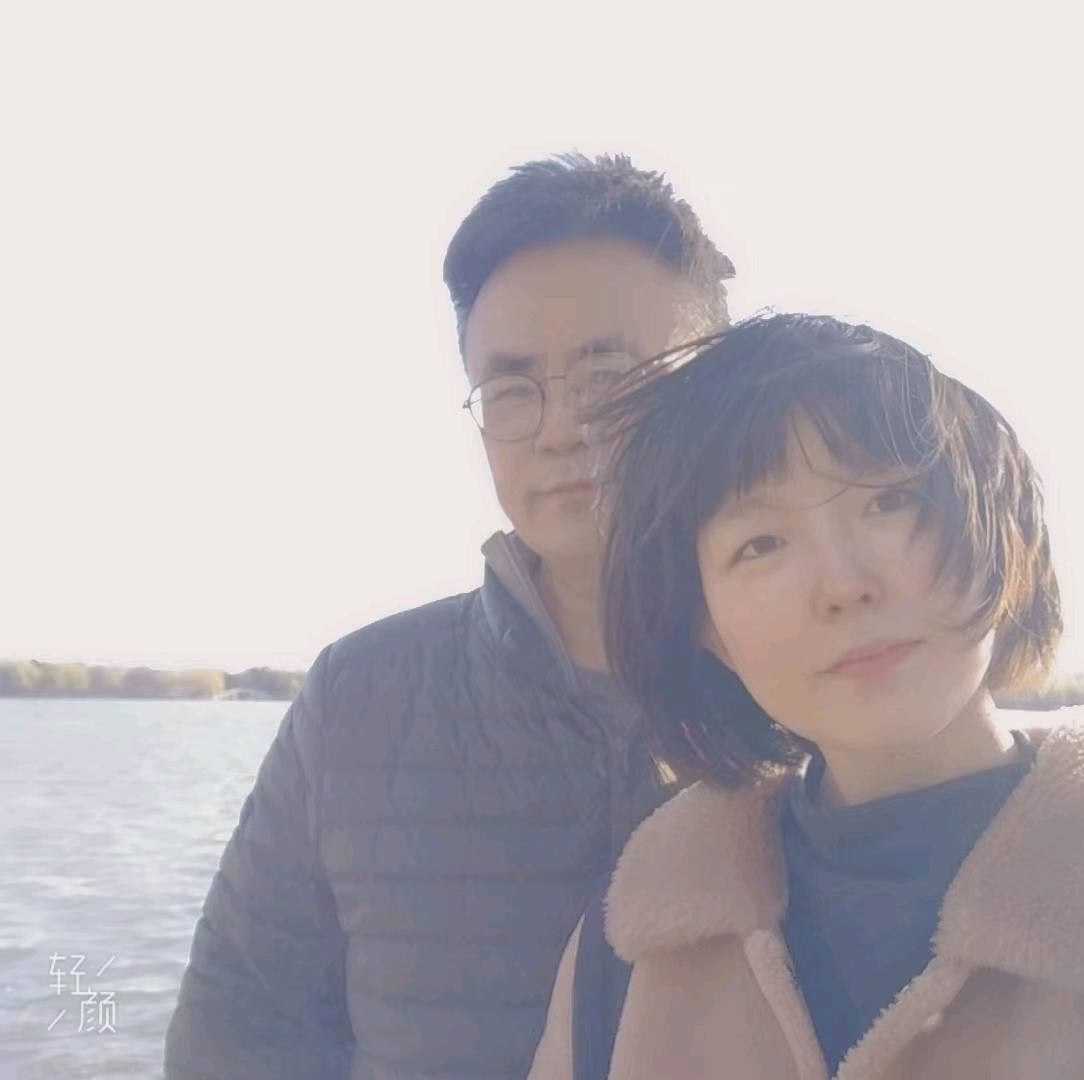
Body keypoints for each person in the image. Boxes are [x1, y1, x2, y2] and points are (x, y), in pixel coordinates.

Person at [527, 313, 1084, 1079]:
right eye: (762, 544)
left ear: (998, 528)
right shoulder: (632, 954)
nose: (844, 583)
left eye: (890, 501)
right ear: (706, 628)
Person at [163, 154, 735, 1080]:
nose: (559, 429)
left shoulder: (825, 689)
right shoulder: (359, 698)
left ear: (719, 385)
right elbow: (240, 1021)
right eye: (511, 390)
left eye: (608, 375)